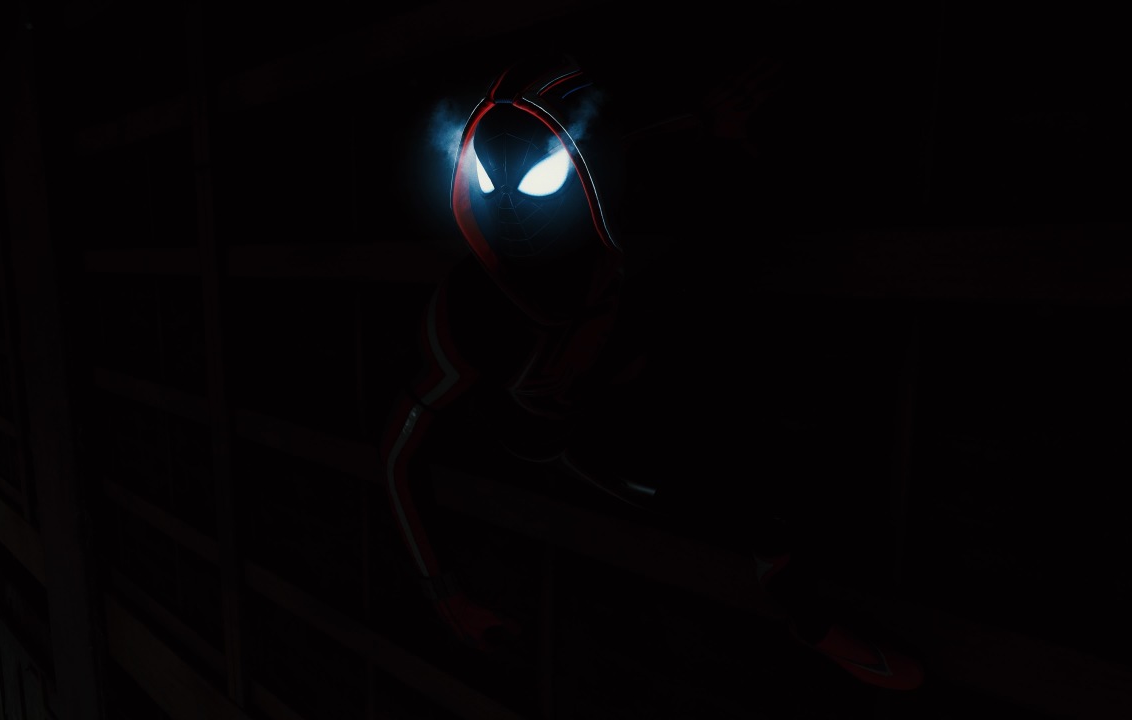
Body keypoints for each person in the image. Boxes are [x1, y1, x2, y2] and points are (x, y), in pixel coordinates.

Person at [376, 51, 924, 692]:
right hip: (576, 431)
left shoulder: (598, 201)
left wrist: (705, 125)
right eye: (490, 182)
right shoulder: (468, 314)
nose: (511, 203)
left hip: (627, 343)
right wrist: (444, 595)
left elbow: (615, 148)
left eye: (539, 177)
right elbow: (398, 455)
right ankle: (801, 611)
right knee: (733, 495)